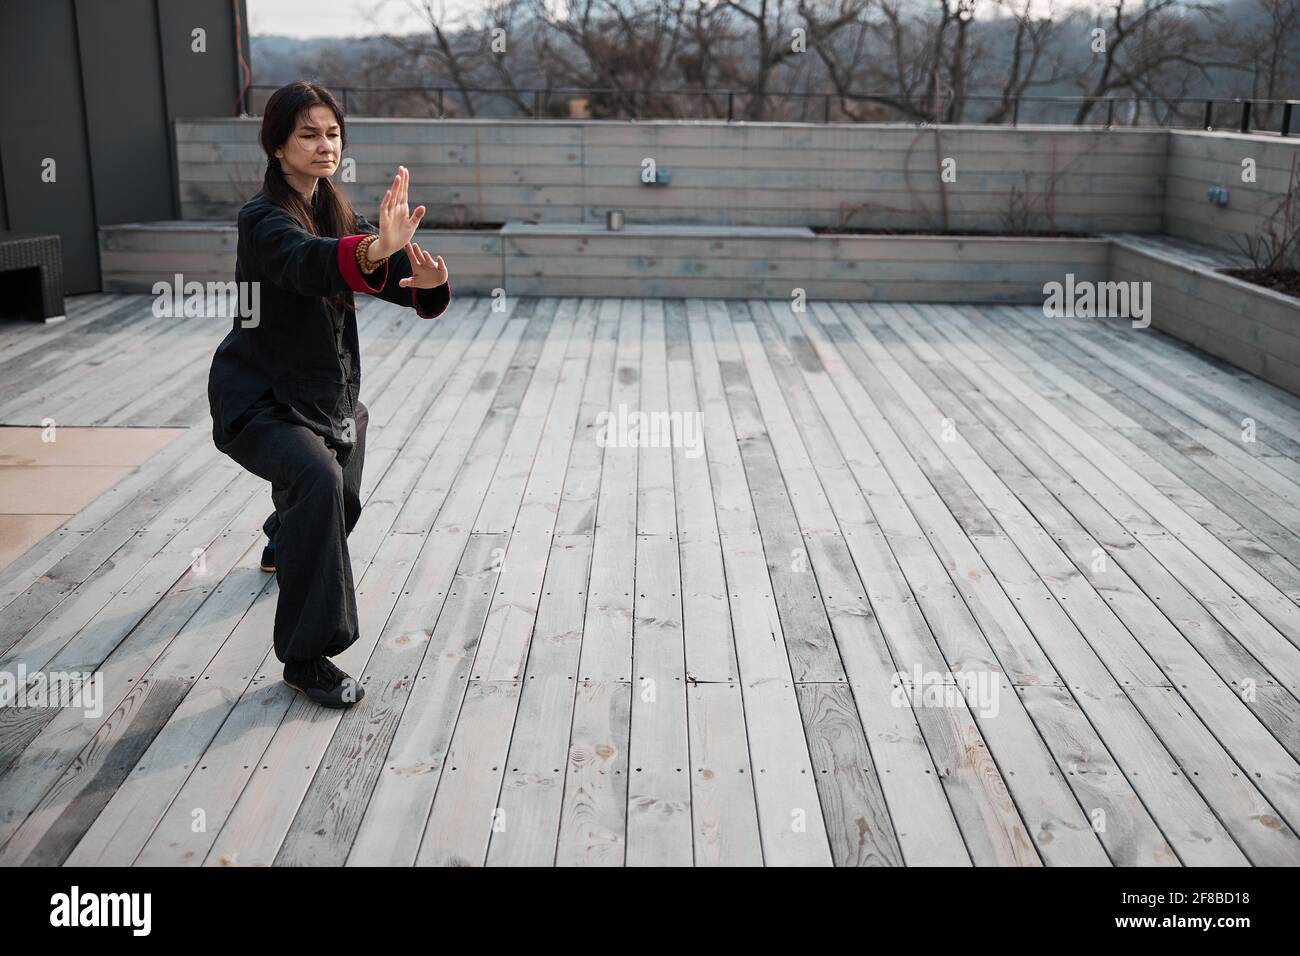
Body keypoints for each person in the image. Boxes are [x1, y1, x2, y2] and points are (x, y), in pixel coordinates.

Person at [207, 81, 451, 708]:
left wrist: (422, 278)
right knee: (316, 485)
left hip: (330, 399)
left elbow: (374, 264)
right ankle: (307, 657)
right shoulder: (262, 220)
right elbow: (313, 262)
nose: (325, 145)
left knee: (336, 502)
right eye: (308, 133)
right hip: (258, 400)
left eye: (333, 133)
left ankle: (280, 538)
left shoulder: (334, 209)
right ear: (278, 145)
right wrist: (374, 250)